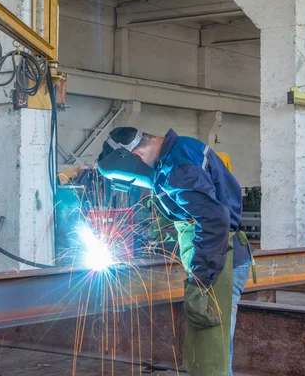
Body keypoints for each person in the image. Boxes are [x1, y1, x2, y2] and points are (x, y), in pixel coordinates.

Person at [97, 127, 253, 376]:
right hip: (216, 254)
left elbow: (214, 221)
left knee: (210, 356)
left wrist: (199, 282)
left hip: (218, 262)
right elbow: (194, 209)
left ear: (136, 157)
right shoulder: (180, 149)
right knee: (207, 351)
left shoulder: (177, 170)